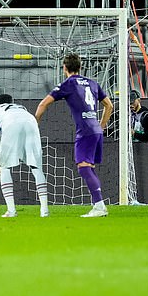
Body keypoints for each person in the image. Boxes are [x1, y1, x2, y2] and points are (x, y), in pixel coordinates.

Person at [35, 53, 114, 218]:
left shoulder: (68, 84)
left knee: (84, 168)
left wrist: (34, 126)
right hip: (96, 130)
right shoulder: (92, 83)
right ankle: (98, 205)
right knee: (89, 168)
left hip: (85, 131)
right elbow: (109, 105)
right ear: (80, 67)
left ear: (64, 68)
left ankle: (99, 206)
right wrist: (100, 126)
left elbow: (43, 104)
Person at [0, 94, 49, 217]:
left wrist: (0, 158)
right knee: (37, 168)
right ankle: (44, 211)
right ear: (12, 102)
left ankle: (11, 211)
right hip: (31, 123)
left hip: (11, 124)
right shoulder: (21, 108)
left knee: (5, 168)